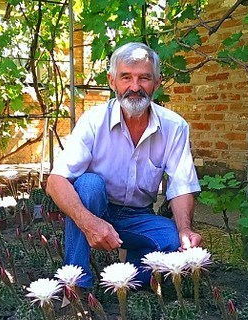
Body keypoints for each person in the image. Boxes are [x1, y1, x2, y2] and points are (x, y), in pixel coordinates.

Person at [46, 42, 201, 288]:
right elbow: (55, 181)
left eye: (144, 78)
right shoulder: (93, 121)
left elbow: (181, 185)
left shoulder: (175, 126)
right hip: (98, 207)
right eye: (126, 77)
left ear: (157, 83)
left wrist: (185, 230)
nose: (135, 87)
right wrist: (89, 222)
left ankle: (125, 282)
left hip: (138, 216)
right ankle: (76, 284)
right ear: (112, 81)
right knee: (88, 184)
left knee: (170, 240)